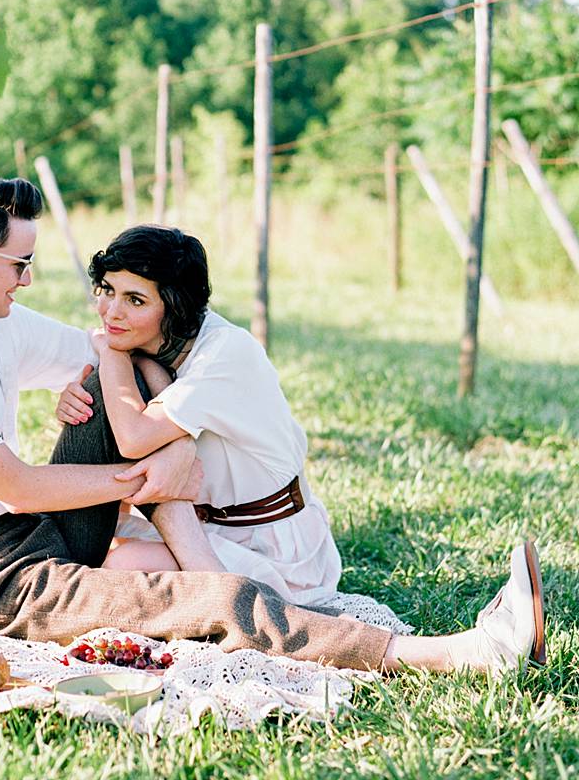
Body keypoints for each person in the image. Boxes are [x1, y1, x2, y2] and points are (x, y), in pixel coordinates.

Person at [0, 161, 546, 676]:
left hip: (35, 533)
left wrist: (164, 434)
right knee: (214, 600)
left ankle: (190, 540)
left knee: (106, 373)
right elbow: (25, 484)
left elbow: (105, 350)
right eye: (20, 264)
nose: (28, 280)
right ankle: (458, 655)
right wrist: (147, 475)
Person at [53, 225, 390, 625]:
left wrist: (111, 356)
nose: (112, 312)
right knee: (114, 564)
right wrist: (94, 391)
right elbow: (133, 434)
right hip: (205, 524)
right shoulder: (155, 345)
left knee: (123, 566)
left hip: (273, 543)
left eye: (135, 299)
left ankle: (229, 599)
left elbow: (135, 438)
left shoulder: (226, 353)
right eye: (107, 290)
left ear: (175, 306)